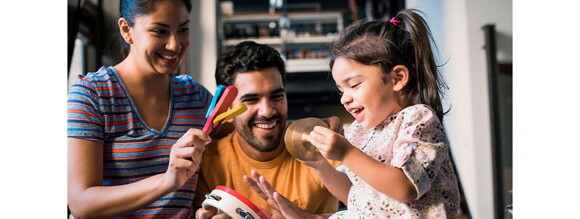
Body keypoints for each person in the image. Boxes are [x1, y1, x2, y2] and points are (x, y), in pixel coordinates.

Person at [247, 9, 460, 218]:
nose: (344, 98)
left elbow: (405, 188)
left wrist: (346, 153)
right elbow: (353, 196)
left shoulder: (418, 119)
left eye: (354, 85)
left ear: (397, 78)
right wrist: (320, 165)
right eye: (341, 90)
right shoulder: (361, 131)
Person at [67, 0, 213, 218]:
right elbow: (81, 204)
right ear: (127, 30)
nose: (174, 44)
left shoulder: (196, 97)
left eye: (183, 30)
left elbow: (240, 149)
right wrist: (166, 181)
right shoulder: (92, 94)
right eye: (159, 31)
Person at [193, 41, 342, 218]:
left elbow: (374, 210)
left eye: (276, 96)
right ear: (226, 109)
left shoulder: (319, 146)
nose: (267, 111)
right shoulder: (206, 163)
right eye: (251, 100)